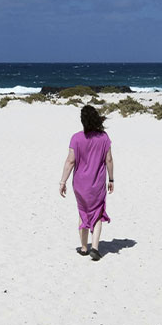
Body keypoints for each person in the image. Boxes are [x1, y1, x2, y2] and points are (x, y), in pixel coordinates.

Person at [59, 104, 114, 260]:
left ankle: (84, 247)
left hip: (80, 184)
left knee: (82, 211)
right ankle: (94, 247)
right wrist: (111, 179)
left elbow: (70, 161)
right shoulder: (104, 137)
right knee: (97, 213)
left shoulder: (76, 138)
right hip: (97, 184)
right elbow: (108, 159)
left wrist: (62, 181)